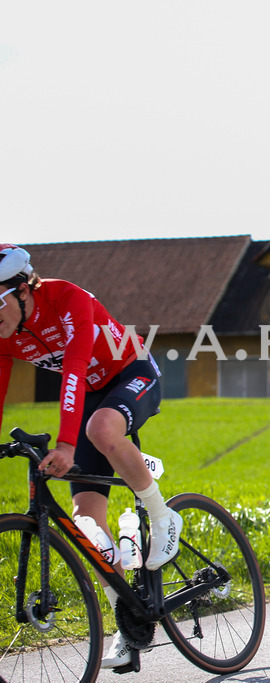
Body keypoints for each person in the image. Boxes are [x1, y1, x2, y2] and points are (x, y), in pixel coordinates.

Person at [0, 245, 181, 668]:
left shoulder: (67, 300)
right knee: (86, 523)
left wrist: (66, 444)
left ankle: (163, 516)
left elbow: (75, 370)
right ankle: (128, 621)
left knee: (100, 428)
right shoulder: (6, 333)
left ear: (22, 290)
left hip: (132, 372)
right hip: (91, 394)